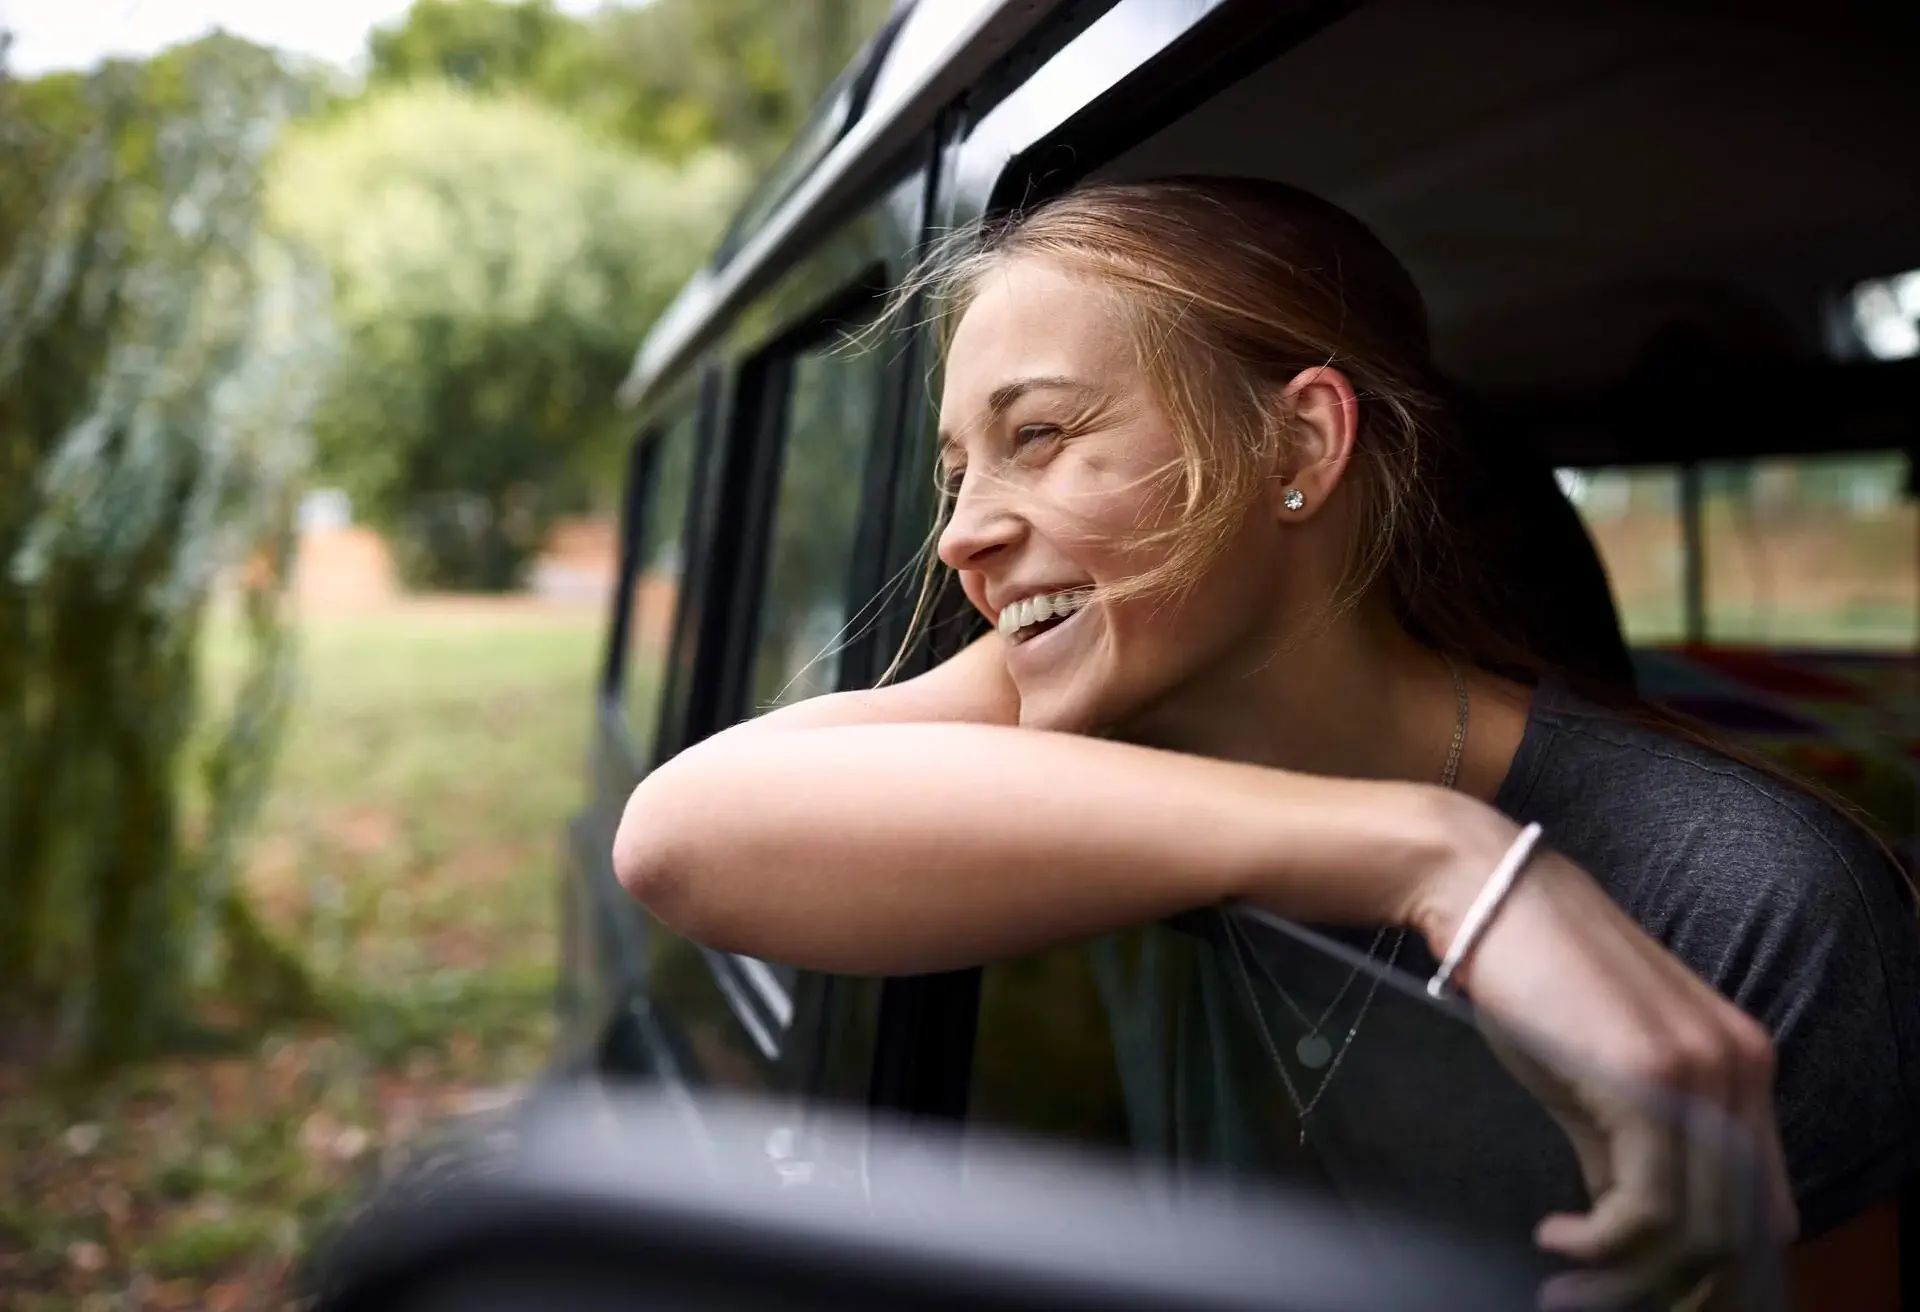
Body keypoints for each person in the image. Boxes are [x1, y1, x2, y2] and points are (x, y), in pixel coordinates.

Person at [613, 177, 1918, 1309]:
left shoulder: (1757, 899)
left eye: (1043, 436)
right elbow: (679, 836)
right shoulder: (1092, 715)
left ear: (1300, 441)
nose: (960, 535)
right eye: (959, 473)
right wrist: (1436, 855)